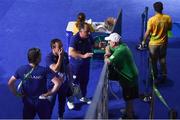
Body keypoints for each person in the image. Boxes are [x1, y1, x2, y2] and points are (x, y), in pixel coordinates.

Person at [8, 48, 62, 119]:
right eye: (40, 56)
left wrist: (16, 93)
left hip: (28, 103)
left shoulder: (21, 69)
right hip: (42, 102)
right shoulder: (44, 70)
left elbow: (10, 83)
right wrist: (49, 93)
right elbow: (58, 83)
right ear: (37, 59)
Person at [104, 33, 139, 118]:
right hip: (130, 77)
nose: (108, 42)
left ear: (114, 43)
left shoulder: (120, 51)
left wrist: (106, 55)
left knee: (128, 99)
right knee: (128, 98)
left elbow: (108, 61)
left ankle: (129, 116)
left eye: (109, 41)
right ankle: (128, 111)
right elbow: (110, 48)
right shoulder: (122, 46)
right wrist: (107, 49)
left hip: (129, 78)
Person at [142, 2, 172, 84]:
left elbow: (148, 32)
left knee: (153, 61)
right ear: (162, 8)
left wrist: (143, 41)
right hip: (163, 43)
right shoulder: (168, 18)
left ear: (154, 9)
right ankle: (164, 75)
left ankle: (155, 76)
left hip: (153, 45)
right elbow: (169, 29)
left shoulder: (151, 20)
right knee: (162, 59)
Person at [46, 39, 74, 118]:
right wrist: (60, 57)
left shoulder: (64, 54)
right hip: (52, 86)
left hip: (64, 84)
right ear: (53, 48)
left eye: (62, 45)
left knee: (62, 103)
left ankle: (60, 117)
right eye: (60, 46)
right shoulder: (48, 58)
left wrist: (71, 80)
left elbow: (68, 68)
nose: (62, 48)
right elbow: (55, 69)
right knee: (50, 104)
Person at [69, 22, 94, 105]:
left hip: (86, 65)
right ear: (80, 31)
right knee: (75, 83)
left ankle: (83, 97)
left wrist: (98, 45)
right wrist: (83, 56)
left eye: (89, 31)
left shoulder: (89, 36)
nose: (89, 33)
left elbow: (93, 44)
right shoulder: (74, 39)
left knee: (85, 81)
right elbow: (71, 52)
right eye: (87, 31)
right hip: (76, 66)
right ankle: (70, 101)